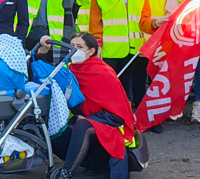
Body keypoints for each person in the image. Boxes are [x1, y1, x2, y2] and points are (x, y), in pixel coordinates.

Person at [41, 33, 135, 179]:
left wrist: (86, 118)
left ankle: (66, 173)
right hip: (85, 120)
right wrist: (44, 50)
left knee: (83, 125)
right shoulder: (71, 70)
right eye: (71, 46)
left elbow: (118, 115)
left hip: (110, 124)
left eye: (79, 47)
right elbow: (45, 75)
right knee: (54, 131)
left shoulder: (103, 72)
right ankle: (90, 162)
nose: (74, 50)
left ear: (91, 51)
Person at [89, 0, 149, 107]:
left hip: (134, 49)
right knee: (107, 86)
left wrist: (156, 24)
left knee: (127, 87)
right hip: (109, 49)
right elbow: (95, 20)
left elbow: (144, 19)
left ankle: (126, 119)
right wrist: (97, 42)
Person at [134, 0, 176, 130]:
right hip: (136, 43)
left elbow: (171, 15)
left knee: (155, 81)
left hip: (158, 45)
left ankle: (154, 117)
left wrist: (153, 20)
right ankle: (138, 115)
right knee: (137, 81)